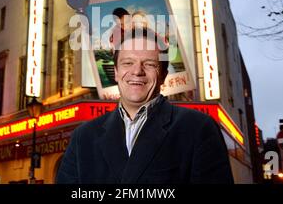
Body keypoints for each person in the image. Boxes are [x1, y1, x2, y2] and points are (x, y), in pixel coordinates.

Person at [56, 27, 234, 184]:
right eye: (128, 63)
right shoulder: (83, 137)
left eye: (149, 64)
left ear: (163, 74)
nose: (137, 71)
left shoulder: (198, 128)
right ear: (116, 72)